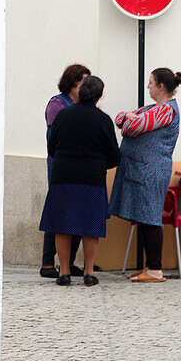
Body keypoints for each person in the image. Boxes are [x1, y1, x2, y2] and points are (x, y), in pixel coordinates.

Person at [38, 76, 121, 286]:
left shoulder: (64, 115)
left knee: (62, 224)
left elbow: (51, 147)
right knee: (90, 226)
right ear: (99, 96)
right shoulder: (103, 120)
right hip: (92, 178)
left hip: (63, 176)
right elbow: (114, 155)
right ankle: (89, 272)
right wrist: (100, 163)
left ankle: (64, 272)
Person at [108, 67, 181, 283]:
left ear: (161, 86)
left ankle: (155, 269)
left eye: (151, 82)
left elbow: (132, 127)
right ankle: (149, 266)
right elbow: (120, 119)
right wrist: (129, 117)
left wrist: (131, 118)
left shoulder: (165, 110)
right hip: (141, 170)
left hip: (151, 172)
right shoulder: (153, 108)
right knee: (143, 217)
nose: (148, 86)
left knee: (150, 218)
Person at [39, 64, 92, 279]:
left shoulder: (85, 106)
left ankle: (67, 263)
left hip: (79, 165)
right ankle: (47, 263)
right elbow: (56, 138)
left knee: (78, 210)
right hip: (60, 164)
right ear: (72, 84)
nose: (85, 87)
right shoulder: (57, 104)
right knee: (58, 210)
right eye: (82, 83)